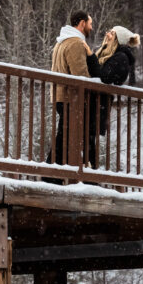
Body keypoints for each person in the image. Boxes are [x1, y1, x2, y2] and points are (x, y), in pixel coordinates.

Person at [44, 11, 99, 181]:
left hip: (60, 96)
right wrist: (94, 85)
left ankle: (54, 174)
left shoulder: (61, 42)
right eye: (90, 23)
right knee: (67, 137)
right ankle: (52, 175)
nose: (91, 27)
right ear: (82, 23)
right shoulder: (76, 43)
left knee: (65, 135)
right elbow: (80, 74)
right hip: (71, 98)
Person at [93, 26, 139, 135]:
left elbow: (105, 78)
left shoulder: (121, 57)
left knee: (86, 144)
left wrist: (91, 63)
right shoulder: (110, 54)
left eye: (111, 33)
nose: (107, 34)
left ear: (117, 39)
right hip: (95, 103)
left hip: (97, 105)